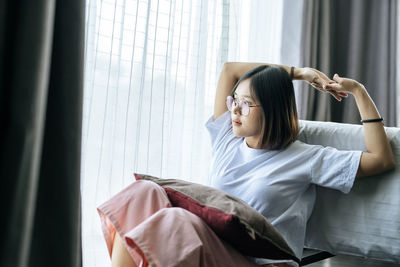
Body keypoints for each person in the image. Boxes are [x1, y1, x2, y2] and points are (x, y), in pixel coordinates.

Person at [97, 62, 395, 267]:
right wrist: (300, 73)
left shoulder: (307, 157)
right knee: (144, 191)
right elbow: (230, 70)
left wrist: (359, 92)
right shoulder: (228, 138)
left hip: (263, 262)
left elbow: (381, 159)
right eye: (234, 100)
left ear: (274, 110)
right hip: (219, 249)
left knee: (177, 221)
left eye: (246, 104)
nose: (235, 110)